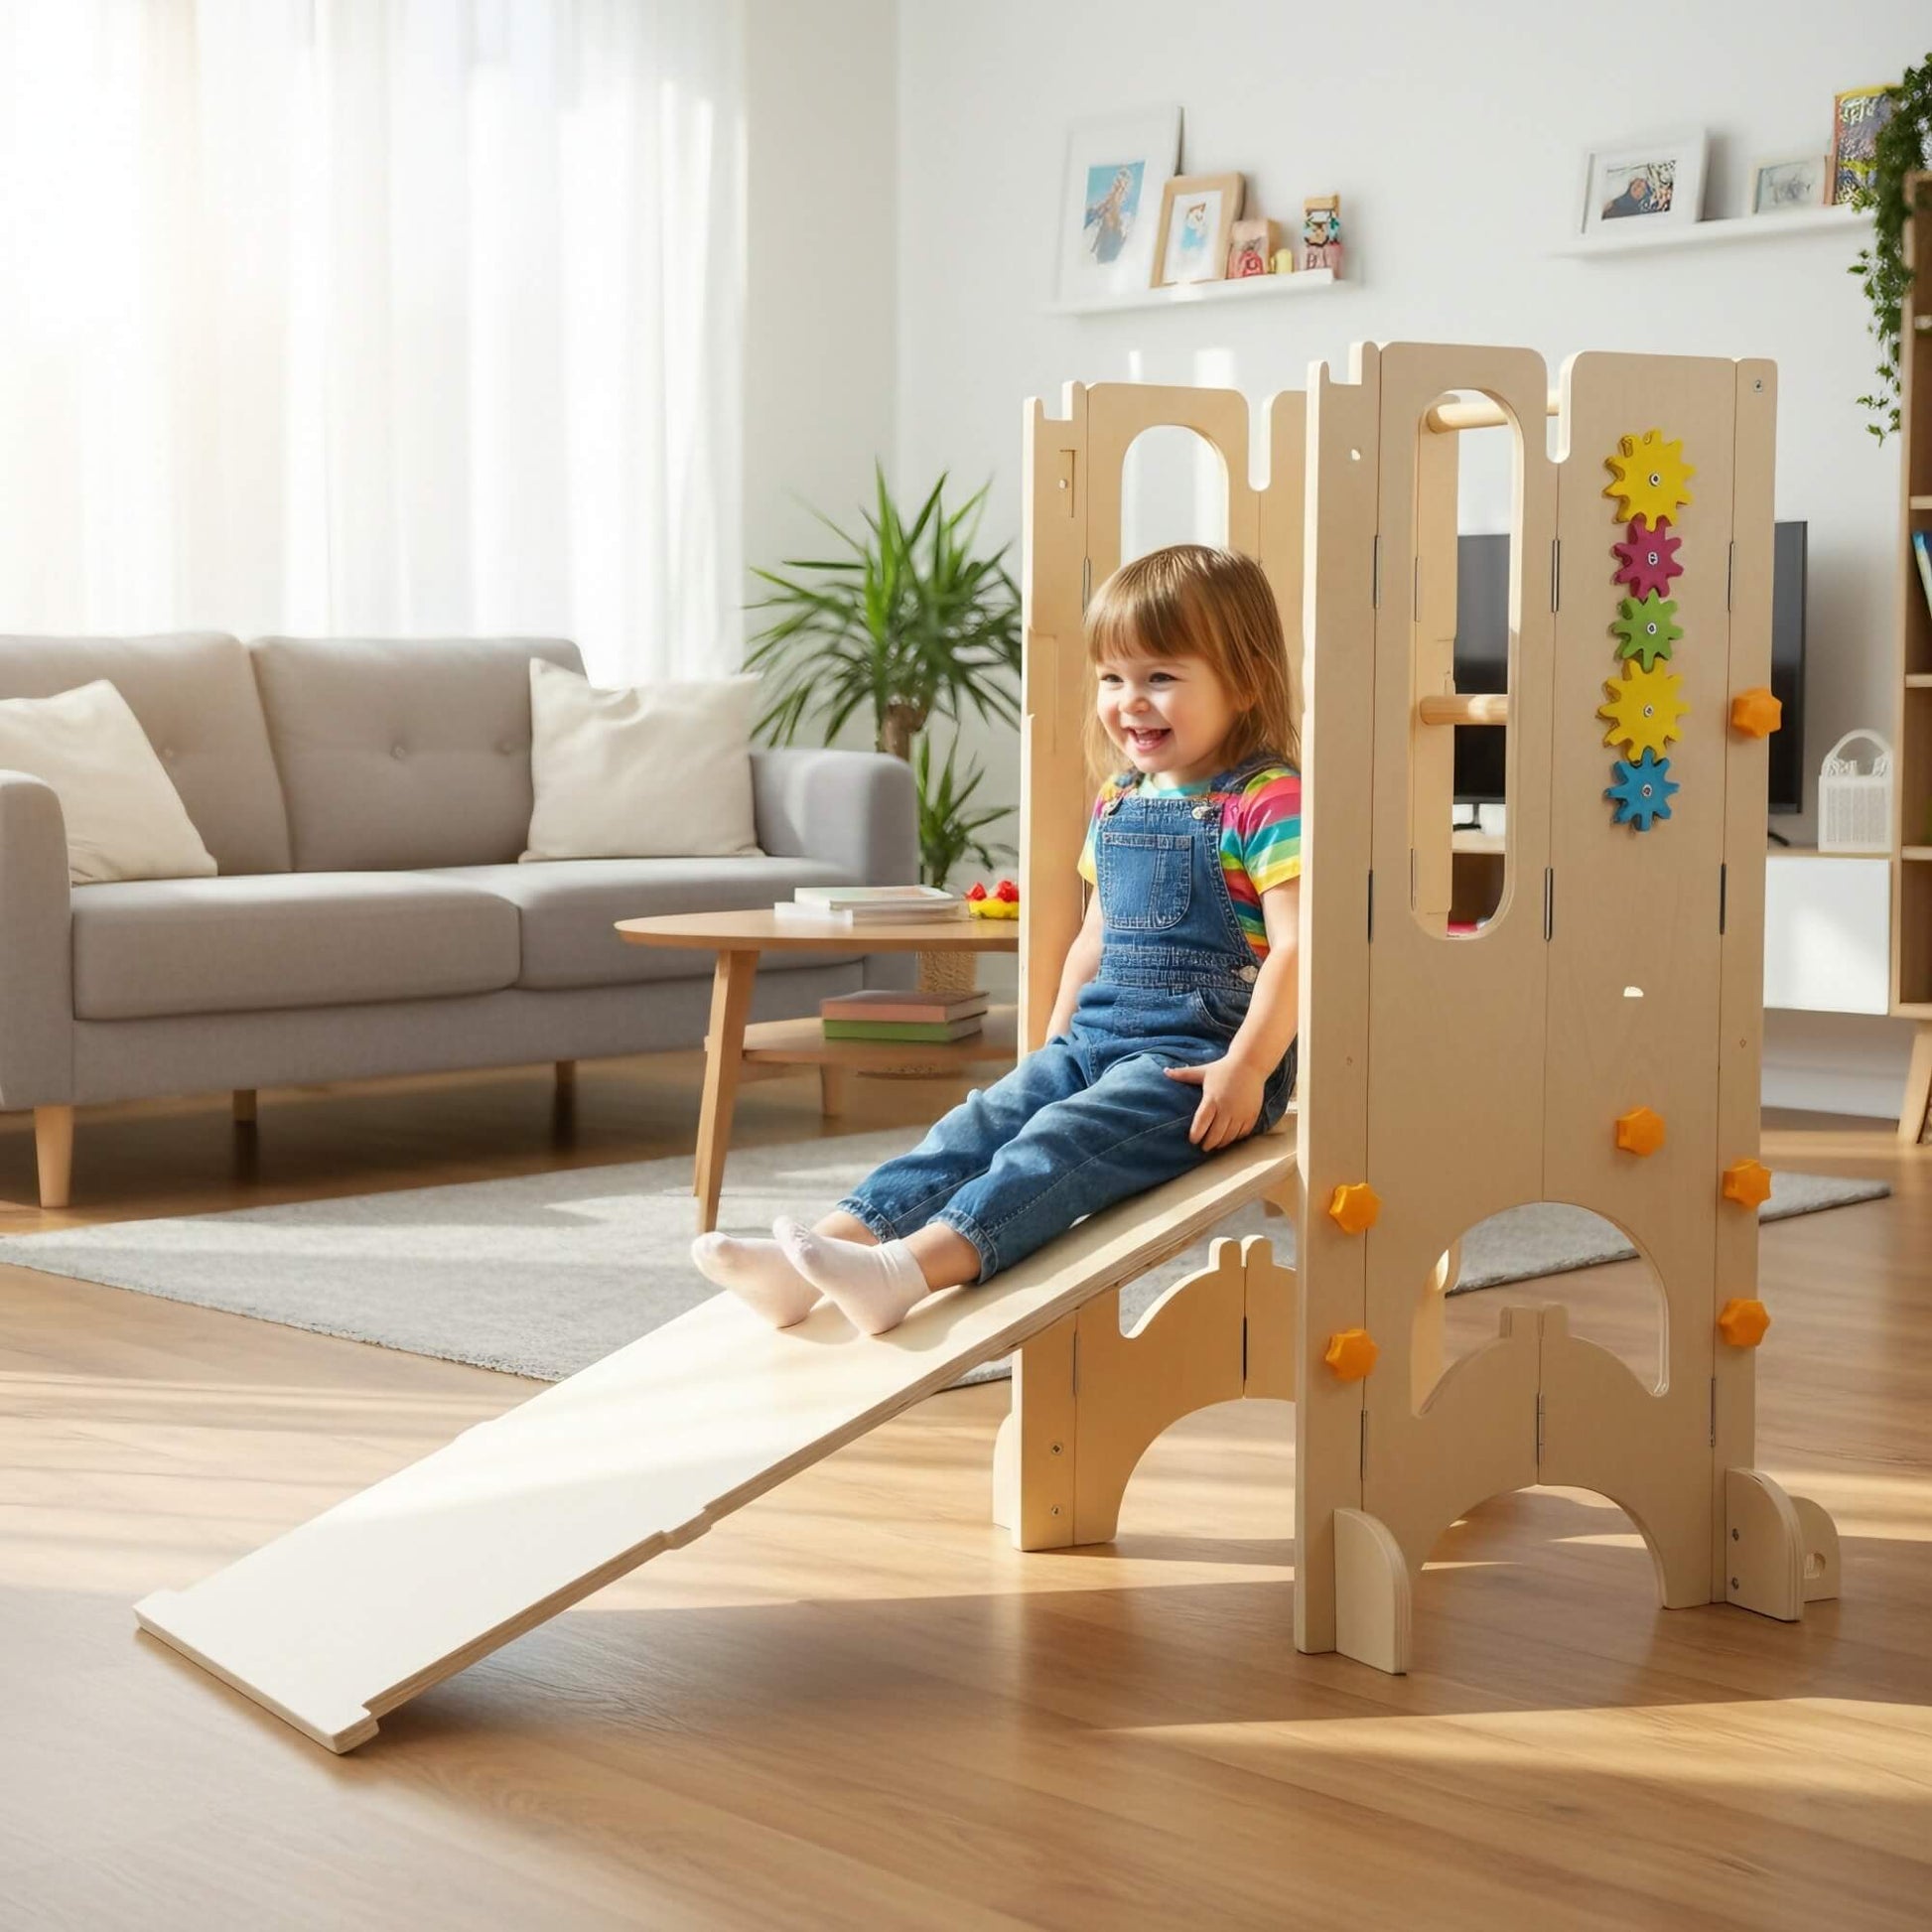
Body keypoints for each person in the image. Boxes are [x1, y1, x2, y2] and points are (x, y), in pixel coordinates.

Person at [692, 544, 1303, 1336]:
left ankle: (906, 1272)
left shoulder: (1265, 798)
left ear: (1244, 681)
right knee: (980, 1122)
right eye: (1112, 679)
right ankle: (815, 1261)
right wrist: (1053, 1048)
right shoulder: (1120, 798)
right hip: (1096, 1039)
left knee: (1059, 1141)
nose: (1129, 702)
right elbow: (1095, 938)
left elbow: (1297, 948)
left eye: (1160, 677)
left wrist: (1248, 1069)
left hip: (1196, 1060)